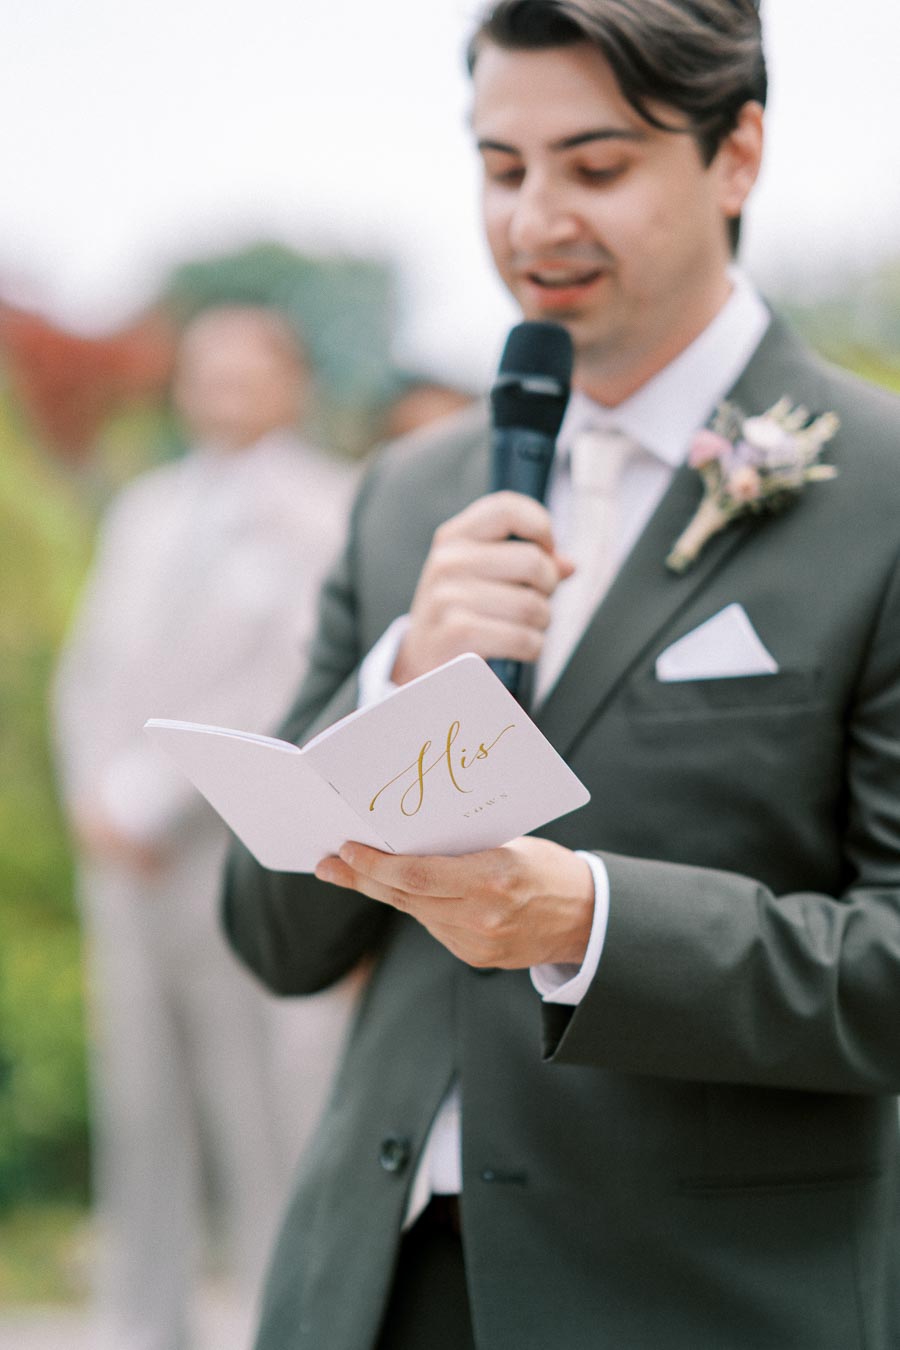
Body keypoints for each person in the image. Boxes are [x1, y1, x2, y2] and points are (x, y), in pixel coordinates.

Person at [223, 4, 900, 1347]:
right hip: (375, 1288)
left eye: (596, 168)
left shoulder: (881, 490)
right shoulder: (407, 488)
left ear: (737, 155)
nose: (534, 223)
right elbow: (274, 933)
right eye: (501, 167)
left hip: (700, 1296)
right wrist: (403, 678)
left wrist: (585, 922)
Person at [53, 304, 359, 1350]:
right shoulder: (145, 508)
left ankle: (284, 1319)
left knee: (259, 1106)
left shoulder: (329, 510)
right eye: (203, 371)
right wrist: (93, 794)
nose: (218, 389)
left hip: (233, 851)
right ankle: (144, 1324)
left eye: (243, 371)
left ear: (290, 382)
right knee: (137, 1109)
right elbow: (89, 669)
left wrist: (152, 790)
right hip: (122, 869)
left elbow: (295, 679)